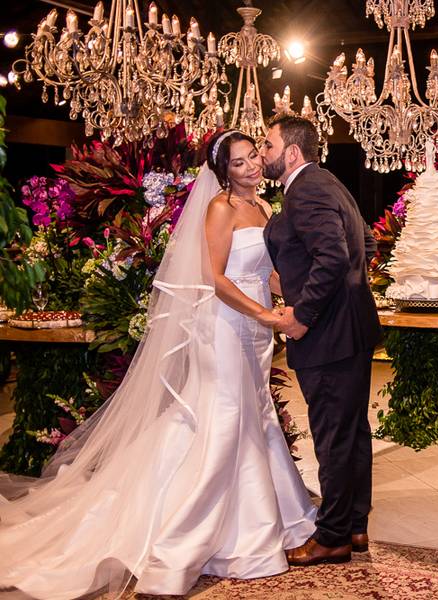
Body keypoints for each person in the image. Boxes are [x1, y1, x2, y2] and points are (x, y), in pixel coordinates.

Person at [0, 130, 317, 599]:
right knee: (226, 420)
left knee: (258, 416)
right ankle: (176, 547)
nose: (251, 167)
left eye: (254, 157)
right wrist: (264, 313)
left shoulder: (264, 209)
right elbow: (215, 279)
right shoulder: (220, 209)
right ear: (222, 172)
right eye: (239, 163)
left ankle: (274, 522)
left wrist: (289, 299)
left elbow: (262, 272)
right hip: (226, 326)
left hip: (256, 330)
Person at [261, 114, 382, 566]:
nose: (264, 154)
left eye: (269, 146)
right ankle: (354, 526)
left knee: (333, 436)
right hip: (351, 327)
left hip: (328, 334)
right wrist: (349, 285)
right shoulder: (328, 181)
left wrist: (301, 314)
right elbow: (364, 244)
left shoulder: (305, 189)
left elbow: (332, 255)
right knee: (351, 432)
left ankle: (331, 536)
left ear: (292, 152)